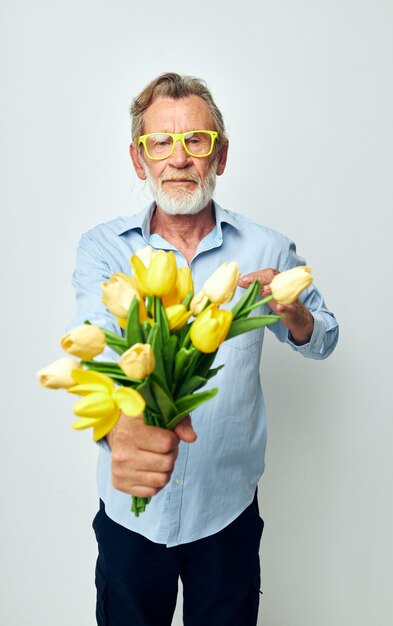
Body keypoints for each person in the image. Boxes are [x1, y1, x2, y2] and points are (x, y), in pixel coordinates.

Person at [71, 72, 339, 625]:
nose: (178, 157)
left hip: (228, 515)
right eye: (160, 142)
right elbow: (96, 355)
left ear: (220, 156)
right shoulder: (103, 249)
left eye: (196, 140)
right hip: (131, 518)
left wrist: (294, 313)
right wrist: (117, 431)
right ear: (137, 158)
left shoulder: (268, 247)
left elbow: (326, 339)